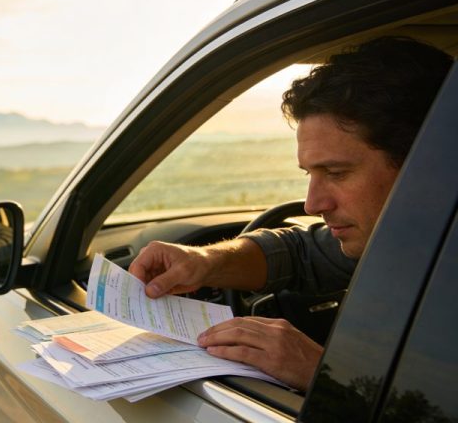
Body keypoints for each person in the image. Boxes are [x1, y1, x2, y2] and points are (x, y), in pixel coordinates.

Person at [128, 37, 453, 391]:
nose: (312, 205)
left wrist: (324, 373)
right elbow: (302, 253)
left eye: (336, 173)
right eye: (309, 173)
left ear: (425, 163)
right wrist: (206, 261)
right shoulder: (408, 235)